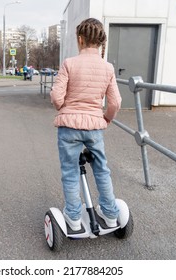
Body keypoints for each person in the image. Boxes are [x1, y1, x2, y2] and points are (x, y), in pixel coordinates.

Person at [50, 18, 122, 231]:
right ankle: (110, 214)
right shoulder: (107, 68)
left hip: (69, 126)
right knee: (101, 169)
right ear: (100, 42)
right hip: (94, 127)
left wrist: (63, 107)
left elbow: (56, 96)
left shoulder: (69, 64)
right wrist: (106, 118)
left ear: (80, 39)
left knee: (70, 171)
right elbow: (116, 102)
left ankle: (72, 217)